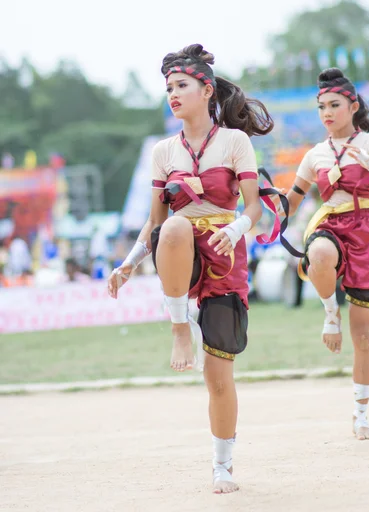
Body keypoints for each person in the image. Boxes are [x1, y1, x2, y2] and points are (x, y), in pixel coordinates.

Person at [108, 43, 274, 494]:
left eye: (182, 85)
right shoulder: (163, 151)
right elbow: (156, 223)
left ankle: (223, 464)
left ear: (206, 90)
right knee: (178, 228)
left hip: (226, 253)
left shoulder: (235, 142)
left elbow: (255, 208)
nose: (173, 94)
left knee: (218, 377)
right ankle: (180, 326)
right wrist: (127, 264)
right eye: (168, 88)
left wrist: (237, 228)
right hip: (179, 250)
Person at [277, 68, 369, 440]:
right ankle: (330, 314)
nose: (327, 113)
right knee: (319, 254)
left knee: (363, 334)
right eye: (321, 107)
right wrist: (266, 207)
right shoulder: (314, 154)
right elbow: (293, 200)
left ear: (353, 105)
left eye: (334, 105)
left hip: (367, 231)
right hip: (330, 224)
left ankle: (360, 415)